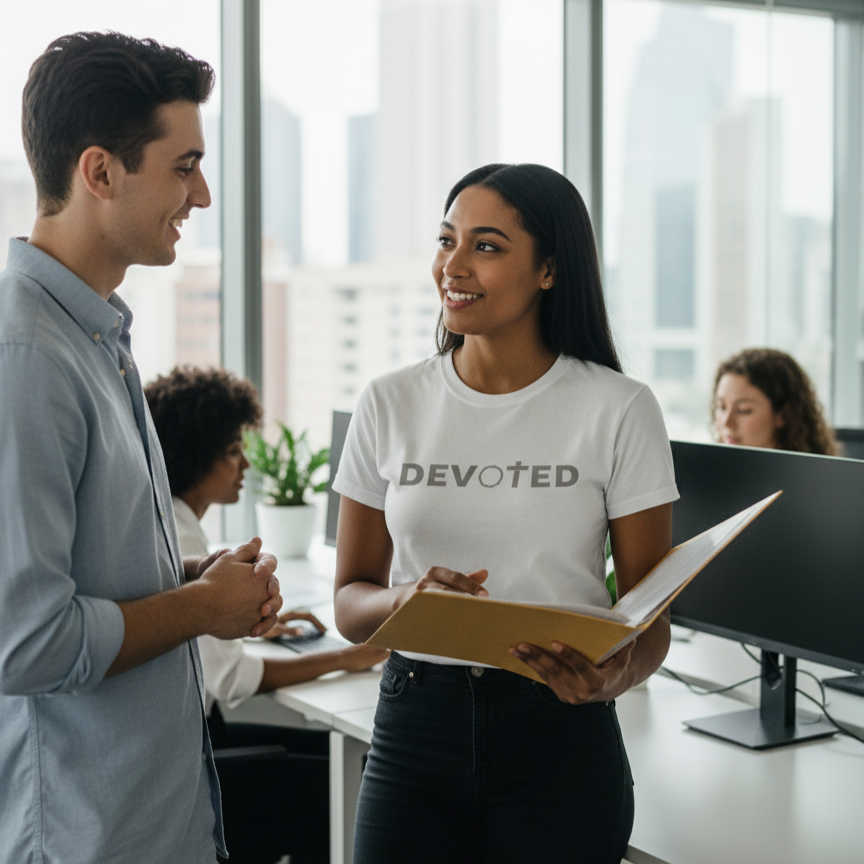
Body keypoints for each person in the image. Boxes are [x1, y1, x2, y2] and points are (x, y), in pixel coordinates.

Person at [332, 163, 679, 863]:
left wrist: (613, 676)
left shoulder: (619, 408)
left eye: (486, 246)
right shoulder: (389, 402)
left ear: (549, 269)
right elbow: (349, 603)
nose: (452, 266)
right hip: (415, 724)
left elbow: (651, 621)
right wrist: (407, 599)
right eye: (445, 240)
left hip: (560, 733)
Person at [0, 32, 284, 864]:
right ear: (99, 172)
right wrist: (199, 611)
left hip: (150, 824)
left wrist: (194, 581)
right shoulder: (26, 358)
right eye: (184, 164)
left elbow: (83, 578)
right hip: (90, 838)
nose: (200, 194)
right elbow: (25, 642)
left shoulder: (97, 337)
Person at [144, 364, 388, 863]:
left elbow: (207, 649)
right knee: (352, 779)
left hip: (201, 743)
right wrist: (345, 659)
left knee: (341, 757)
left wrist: (269, 624)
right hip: (200, 760)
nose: (245, 467)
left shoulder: (170, 520)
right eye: (232, 452)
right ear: (196, 455)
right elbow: (230, 679)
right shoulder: (181, 534)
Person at [712, 347, 839, 455]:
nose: (727, 423)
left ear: (783, 415)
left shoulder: (816, 481)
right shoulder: (709, 475)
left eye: (743, 410)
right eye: (721, 407)